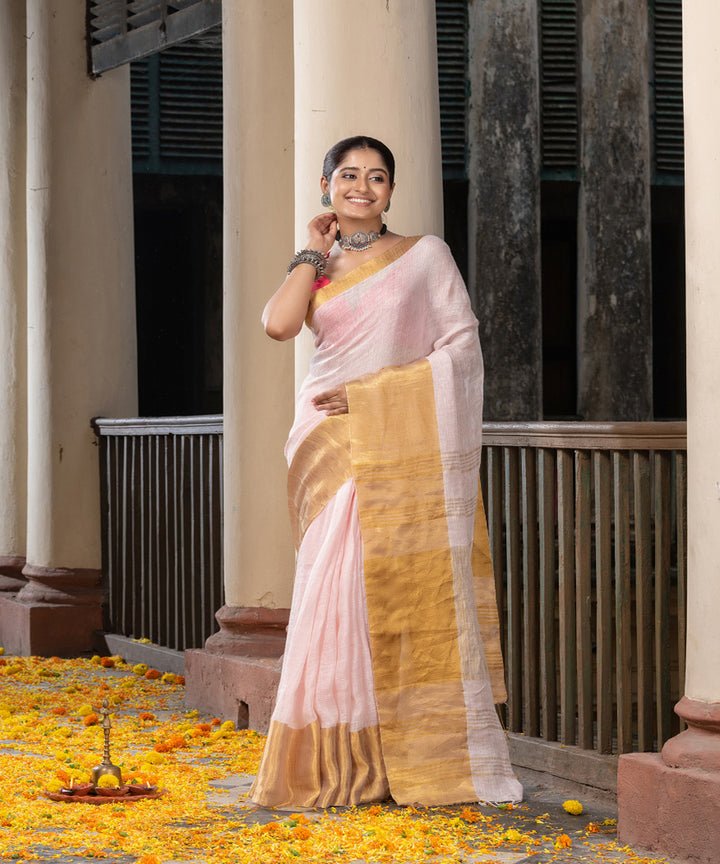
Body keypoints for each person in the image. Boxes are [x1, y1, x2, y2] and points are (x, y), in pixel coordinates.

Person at [251, 135, 523, 809]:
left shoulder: (424, 255)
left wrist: (375, 396)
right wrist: (314, 250)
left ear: (391, 192)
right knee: (329, 596)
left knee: (381, 590)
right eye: (348, 175)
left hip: (388, 434)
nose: (362, 187)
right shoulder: (318, 265)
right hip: (324, 443)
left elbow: (461, 349)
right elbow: (278, 325)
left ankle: (393, 756)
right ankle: (332, 755)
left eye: (376, 177)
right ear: (327, 187)